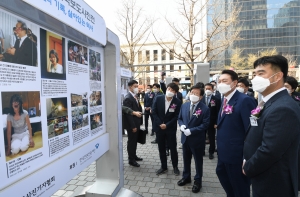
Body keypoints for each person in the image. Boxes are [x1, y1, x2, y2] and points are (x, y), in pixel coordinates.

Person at [243, 55, 300, 197]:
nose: (255, 78)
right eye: (255, 74)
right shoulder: (270, 102)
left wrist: (248, 167)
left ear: (277, 76)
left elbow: (270, 150)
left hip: (274, 182)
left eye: (261, 73)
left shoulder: (283, 108)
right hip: (264, 176)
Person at [216, 70, 256, 197]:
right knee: (225, 180)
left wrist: (247, 157)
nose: (220, 84)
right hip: (223, 152)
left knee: (240, 188)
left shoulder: (244, 101)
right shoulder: (225, 99)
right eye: (219, 81)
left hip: (237, 155)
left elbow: (252, 131)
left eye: (224, 81)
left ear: (234, 83)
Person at [177, 85, 210, 193]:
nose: (193, 95)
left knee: (198, 161)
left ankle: (198, 181)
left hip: (197, 140)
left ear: (200, 97)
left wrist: (192, 130)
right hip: (185, 139)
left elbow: (205, 124)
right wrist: (181, 125)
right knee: (186, 159)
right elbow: (180, 118)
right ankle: (186, 177)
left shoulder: (205, 108)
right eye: (192, 92)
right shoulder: (184, 105)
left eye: (196, 93)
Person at [151, 83, 182, 176]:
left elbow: (177, 116)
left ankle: (175, 166)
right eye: (169, 89)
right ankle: (163, 166)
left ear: (175, 92)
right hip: (159, 128)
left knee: (173, 148)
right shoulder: (159, 98)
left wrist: (167, 125)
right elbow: (154, 112)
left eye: (173, 90)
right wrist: (160, 123)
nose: (170, 91)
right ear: (166, 89)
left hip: (170, 129)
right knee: (161, 148)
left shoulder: (177, 102)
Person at [123, 80, 143, 167]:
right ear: (130, 87)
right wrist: (133, 126)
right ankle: (131, 160)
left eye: (137, 86)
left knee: (134, 141)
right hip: (132, 124)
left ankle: (134, 156)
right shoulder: (128, 98)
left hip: (137, 122)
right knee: (131, 142)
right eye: (135, 86)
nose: (136, 88)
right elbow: (128, 114)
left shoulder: (135, 96)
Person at [200, 83, 220, 159]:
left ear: (212, 89)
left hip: (212, 122)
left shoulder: (216, 99)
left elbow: (218, 111)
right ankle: (202, 151)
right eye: (206, 89)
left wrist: (216, 122)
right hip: (202, 121)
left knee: (211, 137)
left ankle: (211, 152)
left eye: (209, 89)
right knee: (202, 136)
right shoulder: (201, 98)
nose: (207, 90)